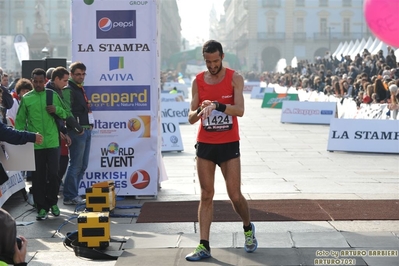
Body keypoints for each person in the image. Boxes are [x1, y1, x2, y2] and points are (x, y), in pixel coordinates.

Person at [185, 40, 257, 261]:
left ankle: (247, 228)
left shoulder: (235, 78)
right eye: (208, 62)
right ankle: (204, 246)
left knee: (234, 195)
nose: (212, 65)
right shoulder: (198, 81)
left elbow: (240, 110)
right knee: (206, 194)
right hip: (205, 144)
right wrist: (200, 109)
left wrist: (217, 105)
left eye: (215, 61)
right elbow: (190, 117)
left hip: (228, 144)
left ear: (222, 57)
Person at [15, 68, 67, 220]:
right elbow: (19, 122)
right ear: (32, 81)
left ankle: (52, 202)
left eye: (40, 81)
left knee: (54, 174)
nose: (38, 84)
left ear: (45, 81)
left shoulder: (52, 95)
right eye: (35, 81)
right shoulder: (27, 98)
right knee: (38, 177)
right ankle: (41, 206)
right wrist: (19, 139)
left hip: (52, 142)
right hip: (36, 144)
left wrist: (56, 109)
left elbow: (65, 113)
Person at [62, 62, 93, 205]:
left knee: (83, 165)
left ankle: (73, 194)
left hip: (85, 130)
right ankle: (69, 196)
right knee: (75, 165)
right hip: (77, 132)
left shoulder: (80, 88)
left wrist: (88, 125)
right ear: (72, 75)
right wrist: (78, 128)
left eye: (83, 74)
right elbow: (67, 113)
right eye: (78, 74)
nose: (81, 76)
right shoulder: (69, 89)